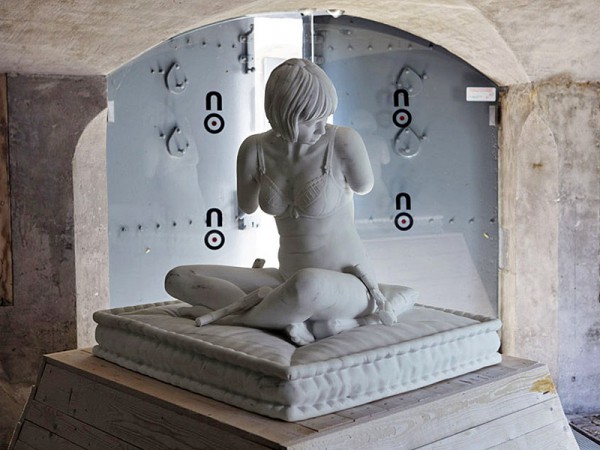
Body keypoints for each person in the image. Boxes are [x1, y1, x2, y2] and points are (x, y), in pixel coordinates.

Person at [165, 58, 395, 345]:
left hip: (346, 283)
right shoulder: (254, 149)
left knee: (307, 283)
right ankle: (278, 315)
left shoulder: (343, 141)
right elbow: (247, 205)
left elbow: (364, 185)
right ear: (283, 114)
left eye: (325, 117)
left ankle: (236, 316)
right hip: (286, 279)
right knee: (179, 277)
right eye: (310, 120)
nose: (322, 128)